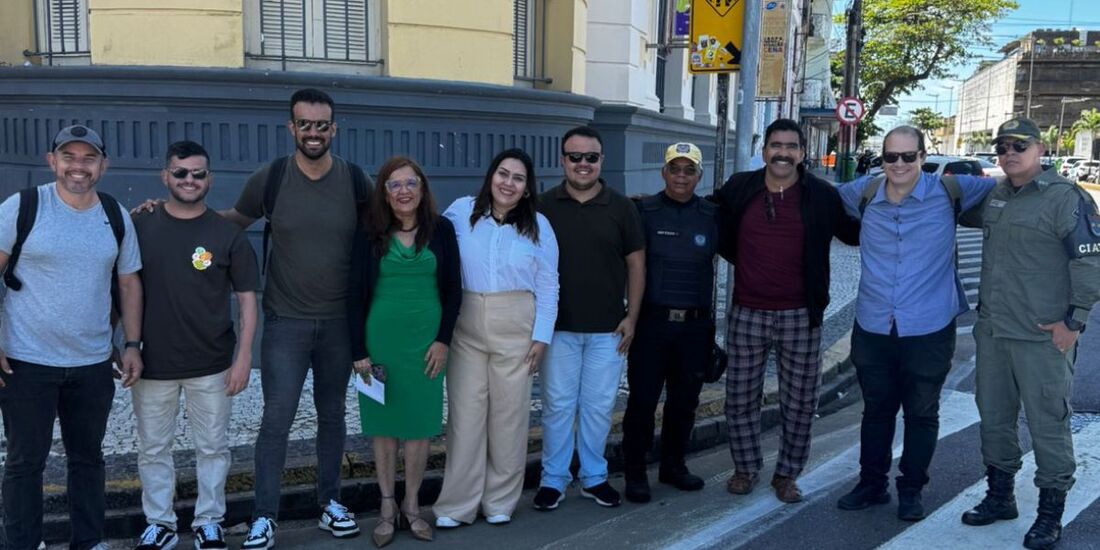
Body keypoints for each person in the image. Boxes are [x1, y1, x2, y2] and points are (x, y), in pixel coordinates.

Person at [219, 89, 370, 548]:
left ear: (334, 129)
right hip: (286, 322)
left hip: (339, 323)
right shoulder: (271, 178)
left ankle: (330, 503)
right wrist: (172, 216)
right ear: (292, 128)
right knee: (276, 420)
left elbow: (388, 229)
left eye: (322, 125)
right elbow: (232, 221)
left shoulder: (355, 180)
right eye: (305, 124)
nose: (313, 133)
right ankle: (265, 516)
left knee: (332, 416)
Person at [835, 126, 996, 521]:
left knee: (921, 413)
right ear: (882, 159)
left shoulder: (950, 190)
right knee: (876, 411)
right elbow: (816, 201)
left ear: (923, 157)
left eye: (909, 156)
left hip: (929, 327)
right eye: (891, 156)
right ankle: (871, 483)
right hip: (873, 324)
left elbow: (1011, 183)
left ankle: (911, 490)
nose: (900, 164)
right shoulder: (862, 193)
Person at [0, 125, 144, 550]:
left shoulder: (115, 214)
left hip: (92, 363)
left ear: (103, 165)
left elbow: (129, 283)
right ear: (52, 161)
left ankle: (89, 541)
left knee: (88, 459)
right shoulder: (24, 207)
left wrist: (132, 344)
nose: (78, 167)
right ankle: (24, 543)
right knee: (25, 462)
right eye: (69, 157)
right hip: (26, 361)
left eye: (88, 158)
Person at [959, 117, 1100, 549]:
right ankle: (1000, 496)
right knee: (994, 419)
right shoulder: (997, 195)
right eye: (1002, 147)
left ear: (1040, 149)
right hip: (994, 332)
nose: (1009, 153)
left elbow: (1090, 262)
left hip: (1042, 337)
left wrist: (1074, 322)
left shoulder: (1065, 198)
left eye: (1020, 145)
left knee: (1048, 424)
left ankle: (1050, 513)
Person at [715, 118, 860, 503]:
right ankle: (746, 468)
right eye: (776, 145)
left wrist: (891, 205)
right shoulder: (739, 188)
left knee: (800, 401)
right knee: (740, 397)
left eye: (791, 146)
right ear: (764, 151)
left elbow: (853, 233)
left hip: (800, 314)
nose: (783, 153)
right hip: (747, 311)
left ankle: (787, 474)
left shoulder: (821, 195)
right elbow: (709, 219)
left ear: (802, 153)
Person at [129, 141, 260, 550]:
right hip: (153, 363)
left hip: (212, 364)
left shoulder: (227, 234)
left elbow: (247, 300)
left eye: (198, 173)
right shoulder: (139, 225)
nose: (190, 180)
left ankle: (209, 521)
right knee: (153, 449)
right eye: (180, 172)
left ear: (210, 179)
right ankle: (160, 523)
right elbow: (122, 287)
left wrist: (244, 358)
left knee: (213, 448)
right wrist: (124, 345)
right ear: (164, 176)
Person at [433, 149, 558, 527]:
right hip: (467, 324)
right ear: (491, 176)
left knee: (509, 416)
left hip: (516, 325)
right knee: (465, 416)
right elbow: (434, 249)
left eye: (518, 178)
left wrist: (541, 337)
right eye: (503, 174)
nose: (508, 183)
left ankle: (500, 500)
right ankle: (457, 505)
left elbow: (549, 286)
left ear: (527, 188)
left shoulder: (539, 226)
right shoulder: (460, 212)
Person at [347, 156, 462, 548]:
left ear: (422, 188)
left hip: (427, 346)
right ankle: (386, 506)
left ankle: (411, 504)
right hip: (380, 342)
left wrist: (443, 340)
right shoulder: (369, 231)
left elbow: (454, 290)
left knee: (419, 425)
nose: (403, 191)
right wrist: (358, 350)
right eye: (394, 184)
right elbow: (353, 293)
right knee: (383, 425)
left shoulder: (442, 230)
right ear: (384, 192)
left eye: (410, 183)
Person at [534, 126, 646, 510]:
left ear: (602, 160)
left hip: (609, 329)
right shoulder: (542, 206)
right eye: (575, 157)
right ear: (562, 160)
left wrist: (632, 316)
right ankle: (553, 479)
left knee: (598, 408)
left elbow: (636, 264)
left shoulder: (622, 207)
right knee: (557, 406)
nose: (583, 164)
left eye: (591, 157)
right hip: (558, 329)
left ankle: (594, 477)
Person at [621, 142, 718, 503]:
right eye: (674, 169)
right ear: (663, 172)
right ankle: (635, 472)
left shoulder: (712, 215)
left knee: (685, 401)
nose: (681, 176)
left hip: (694, 327)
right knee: (643, 401)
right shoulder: (642, 211)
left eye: (689, 170)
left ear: (699, 175)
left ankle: (673, 465)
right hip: (652, 324)